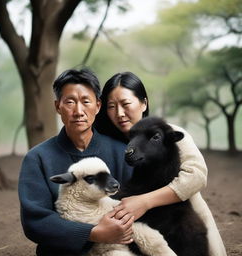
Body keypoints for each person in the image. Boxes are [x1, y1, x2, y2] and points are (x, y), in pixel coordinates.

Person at [94, 71, 227, 256]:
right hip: (133, 230)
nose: (119, 113)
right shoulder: (104, 144)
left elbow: (196, 175)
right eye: (111, 106)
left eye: (125, 104)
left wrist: (144, 202)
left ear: (143, 103)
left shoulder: (168, 133)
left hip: (181, 224)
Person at [18, 68, 135, 256]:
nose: (78, 111)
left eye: (85, 102)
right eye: (70, 102)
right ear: (57, 107)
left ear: (98, 106)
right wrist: (93, 233)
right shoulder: (37, 158)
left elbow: (135, 201)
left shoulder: (120, 151)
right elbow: (35, 221)